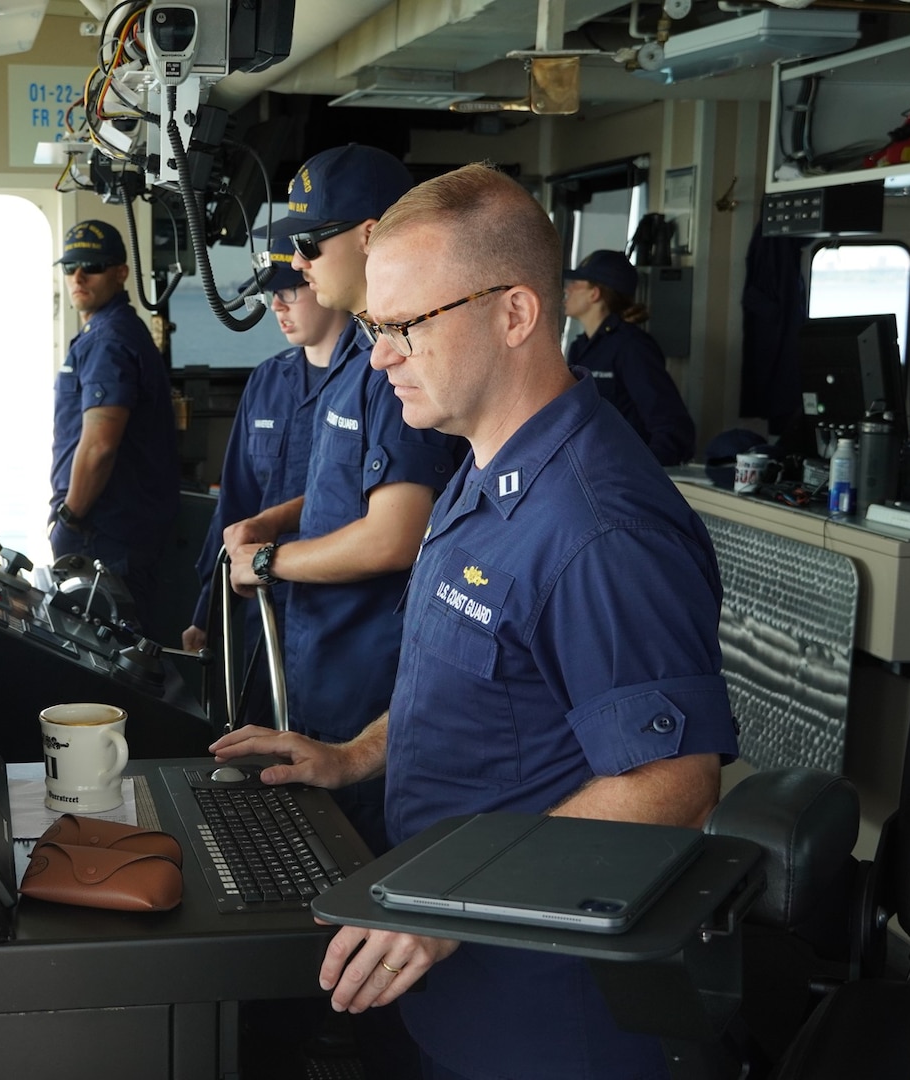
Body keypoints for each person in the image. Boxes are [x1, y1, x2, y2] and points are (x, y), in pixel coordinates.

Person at [212, 164, 739, 1080]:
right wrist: (355, 756)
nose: (379, 357)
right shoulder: (480, 468)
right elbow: (463, 681)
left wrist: (443, 905)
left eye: (407, 327)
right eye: (377, 327)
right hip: (446, 969)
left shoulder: (598, 526)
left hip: (542, 1015)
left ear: (515, 315)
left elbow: (673, 782)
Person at [221, 144, 465, 853]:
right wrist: (280, 518)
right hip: (322, 661)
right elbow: (348, 488)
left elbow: (394, 533)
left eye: (308, 243)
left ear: (367, 235)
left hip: (366, 674)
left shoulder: (395, 365)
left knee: (360, 861)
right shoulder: (359, 356)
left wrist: (269, 563)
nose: (295, 264)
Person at [180, 235, 348, 723]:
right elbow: (235, 503)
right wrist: (206, 610)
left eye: (290, 290)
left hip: (337, 615)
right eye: (270, 293)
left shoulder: (378, 383)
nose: (276, 304)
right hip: (259, 607)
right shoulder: (267, 381)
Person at [50, 220, 179, 621]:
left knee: (107, 667)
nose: (78, 276)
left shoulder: (109, 340)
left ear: (121, 272)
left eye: (92, 265)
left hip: (103, 538)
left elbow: (100, 445)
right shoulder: (111, 331)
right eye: (69, 266)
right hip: (114, 535)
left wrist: (68, 518)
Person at [564, 249, 697, 465]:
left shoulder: (631, 346)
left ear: (594, 293)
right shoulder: (580, 348)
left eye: (576, 283)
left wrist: (639, 473)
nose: (567, 290)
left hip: (620, 476)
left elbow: (672, 428)